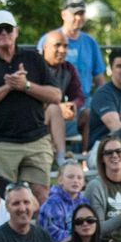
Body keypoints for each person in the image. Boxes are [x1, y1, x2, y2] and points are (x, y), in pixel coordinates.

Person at [0, 11, 60, 203]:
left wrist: (26, 86)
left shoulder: (34, 58)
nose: (4, 33)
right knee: (4, 198)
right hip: (1, 142)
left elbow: (56, 95)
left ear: (16, 31)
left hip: (36, 139)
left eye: (8, 28)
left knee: (41, 195)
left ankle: (39, 234)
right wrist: (6, 88)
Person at [37, 30, 85, 167]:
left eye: (65, 46)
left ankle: (85, 157)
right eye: (57, 45)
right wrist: (59, 108)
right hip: (35, 115)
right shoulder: (35, 65)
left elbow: (78, 95)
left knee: (88, 113)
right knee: (54, 109)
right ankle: (60, 159)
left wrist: (72, 105)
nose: (62, 50)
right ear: (45, 47)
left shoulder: (68, 68)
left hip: (60, 118)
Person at [45, 0, 106, 101]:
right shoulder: (49, 39)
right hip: (53, 100)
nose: (78, 18)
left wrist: (103, 101)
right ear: (63, 14)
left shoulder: (91, 42)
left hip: (84, 100)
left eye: (81, 13)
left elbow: (99, 78)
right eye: (74, 14)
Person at [39, 162, 89, 242]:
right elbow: (52, 234)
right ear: (60, 180)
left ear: (83, 182)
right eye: (70, 177)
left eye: (79, 178)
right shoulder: (52, 203)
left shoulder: (84, 201)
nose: (75, 180)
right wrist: (80, 236)